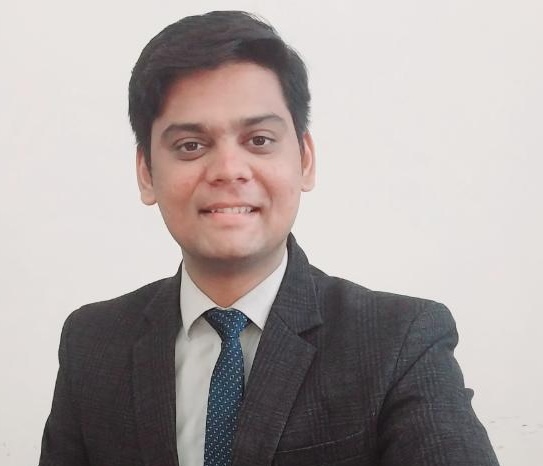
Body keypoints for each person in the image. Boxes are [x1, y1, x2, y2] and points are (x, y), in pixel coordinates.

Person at [39, 10, 499, 466]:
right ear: (146, 173)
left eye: (258, 140)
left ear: (304, 159)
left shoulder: (401, 341)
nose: (228, 170)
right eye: (191, 146)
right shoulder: (91, 345)